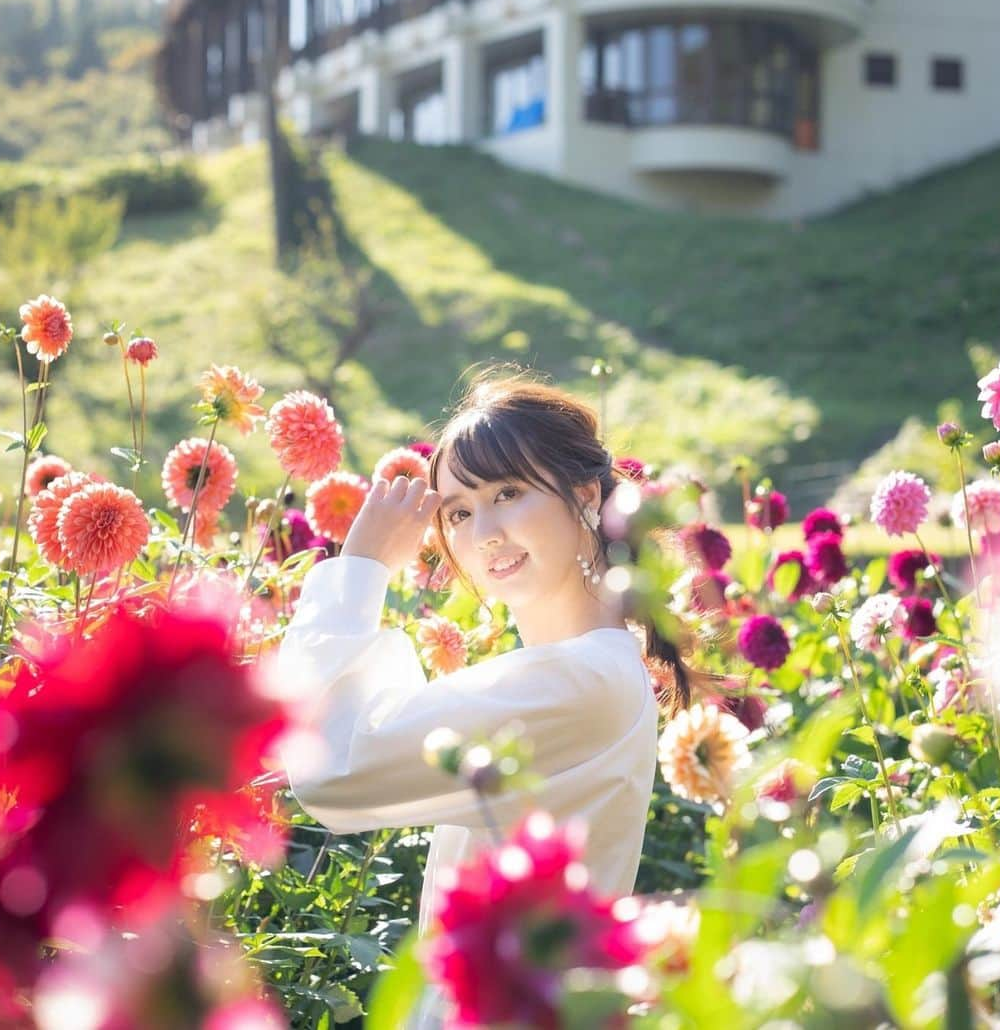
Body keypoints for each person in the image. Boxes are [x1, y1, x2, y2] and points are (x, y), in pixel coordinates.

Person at [278, 371, 693, 1028]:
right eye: (460, 512)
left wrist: (359, 568)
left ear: (585, 496)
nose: (486, 532)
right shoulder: (588, 669)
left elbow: (335, 768)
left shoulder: (580, 681)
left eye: (508, 492)